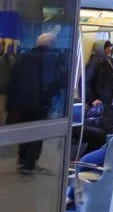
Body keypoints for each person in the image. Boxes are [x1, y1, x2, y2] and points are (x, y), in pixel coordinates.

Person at [7, 32, 68, 174]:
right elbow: (58, 80)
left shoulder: (23, 57)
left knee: (24, 129)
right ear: (50, 44)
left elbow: (13, 81)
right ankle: (30, 163)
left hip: (22, 103)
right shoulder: (52, 58)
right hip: (41, 102)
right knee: (38, 132)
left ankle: (22, 159)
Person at [85, 40, 113, 130]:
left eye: (109, 47)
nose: (109, 49)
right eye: (106, 48)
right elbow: (87, 81)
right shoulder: (95, 63)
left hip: (110, 100)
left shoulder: (109, 61)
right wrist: (92, 99)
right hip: (101, 102)